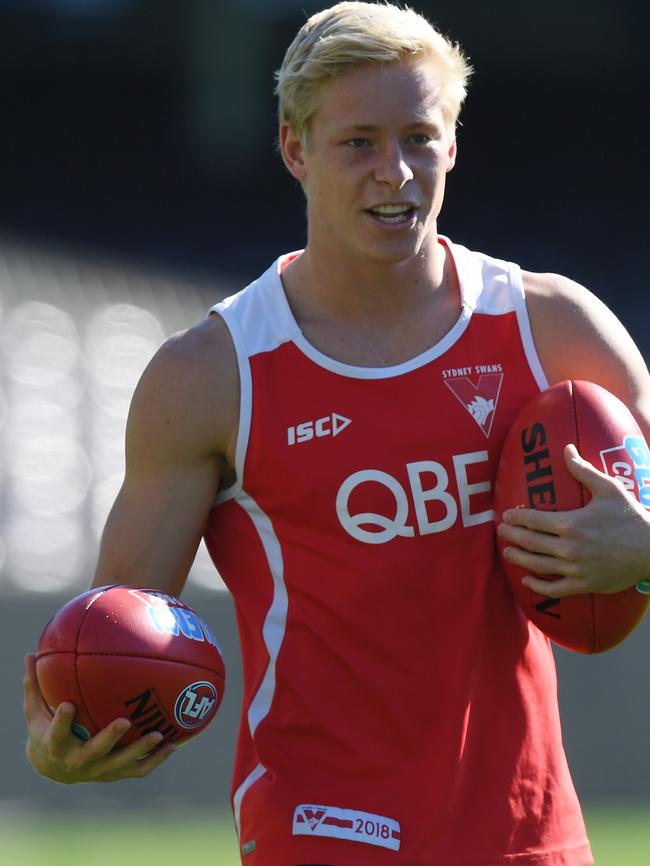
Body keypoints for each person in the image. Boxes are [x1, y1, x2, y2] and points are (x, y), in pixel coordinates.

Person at [23, 2, 650, 864]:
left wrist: (645, 546)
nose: (394, 171)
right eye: (358, 142)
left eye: (419, 138)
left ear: (454, 145)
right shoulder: (212, 375)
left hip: (529, 833)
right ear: (295, 149)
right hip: (321, 832)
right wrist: (68, 734)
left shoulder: (556, 331)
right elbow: (106, 639)